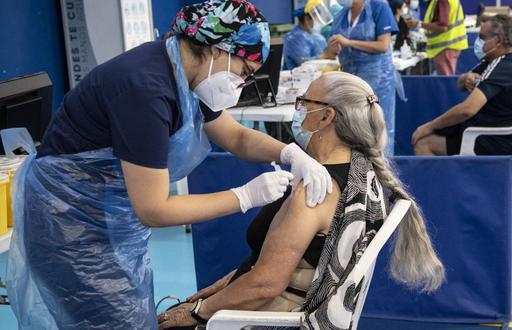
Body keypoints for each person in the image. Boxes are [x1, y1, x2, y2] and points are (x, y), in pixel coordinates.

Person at [5, 1, 334, 329]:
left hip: (107, 214)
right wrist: (243, 196)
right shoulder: (145, 88)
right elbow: (154, 209)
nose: (241, 86)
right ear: (219, 49)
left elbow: (237, 138)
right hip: (68, 222)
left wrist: (290, 153)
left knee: (130, 314)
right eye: (244, 74)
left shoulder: (184, 77)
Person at [156, 72, 445, 329]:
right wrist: (227, 283)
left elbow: (266, 284)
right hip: (293, 301)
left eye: (304, 103)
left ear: (325, 117)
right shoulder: (363, 171)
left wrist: (195, 313)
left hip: (273, 315)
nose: (299, 111)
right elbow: (285, 260)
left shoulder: (316, 192)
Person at [412, 15, 512, 157]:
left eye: (482, 37)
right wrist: (466, 78)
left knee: (423, 143)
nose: (478, 42)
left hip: (494, 140)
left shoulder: (505, 67)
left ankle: (441, 180)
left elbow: (468, 110)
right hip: (487, 130)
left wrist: (429, 126)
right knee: (434, 132)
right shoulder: (495, 60)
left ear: (498, 41)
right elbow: (460, 85)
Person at [324, 0, 399, 156]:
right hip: (350, 83)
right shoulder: (340, 16)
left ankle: (381, 173)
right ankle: (357, 173)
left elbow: (383, 45)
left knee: (378, 130)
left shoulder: (379, 8)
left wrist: (349, 42)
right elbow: (331, 52)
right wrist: (331, 49)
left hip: (378, 82)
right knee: (353, 130)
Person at [406, 0, 468, 75]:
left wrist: (419, 24)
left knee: (445, 82)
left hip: (445, 46)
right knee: (446, 80)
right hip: (448, 45)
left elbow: (443, 27)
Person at [283, 3, 328, 70]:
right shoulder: (295, 38)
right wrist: (325, 56)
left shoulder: (314, 35)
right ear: (307, 19)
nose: (317, 21)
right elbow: (303, 62)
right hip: (297, 77)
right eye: (315, 18)